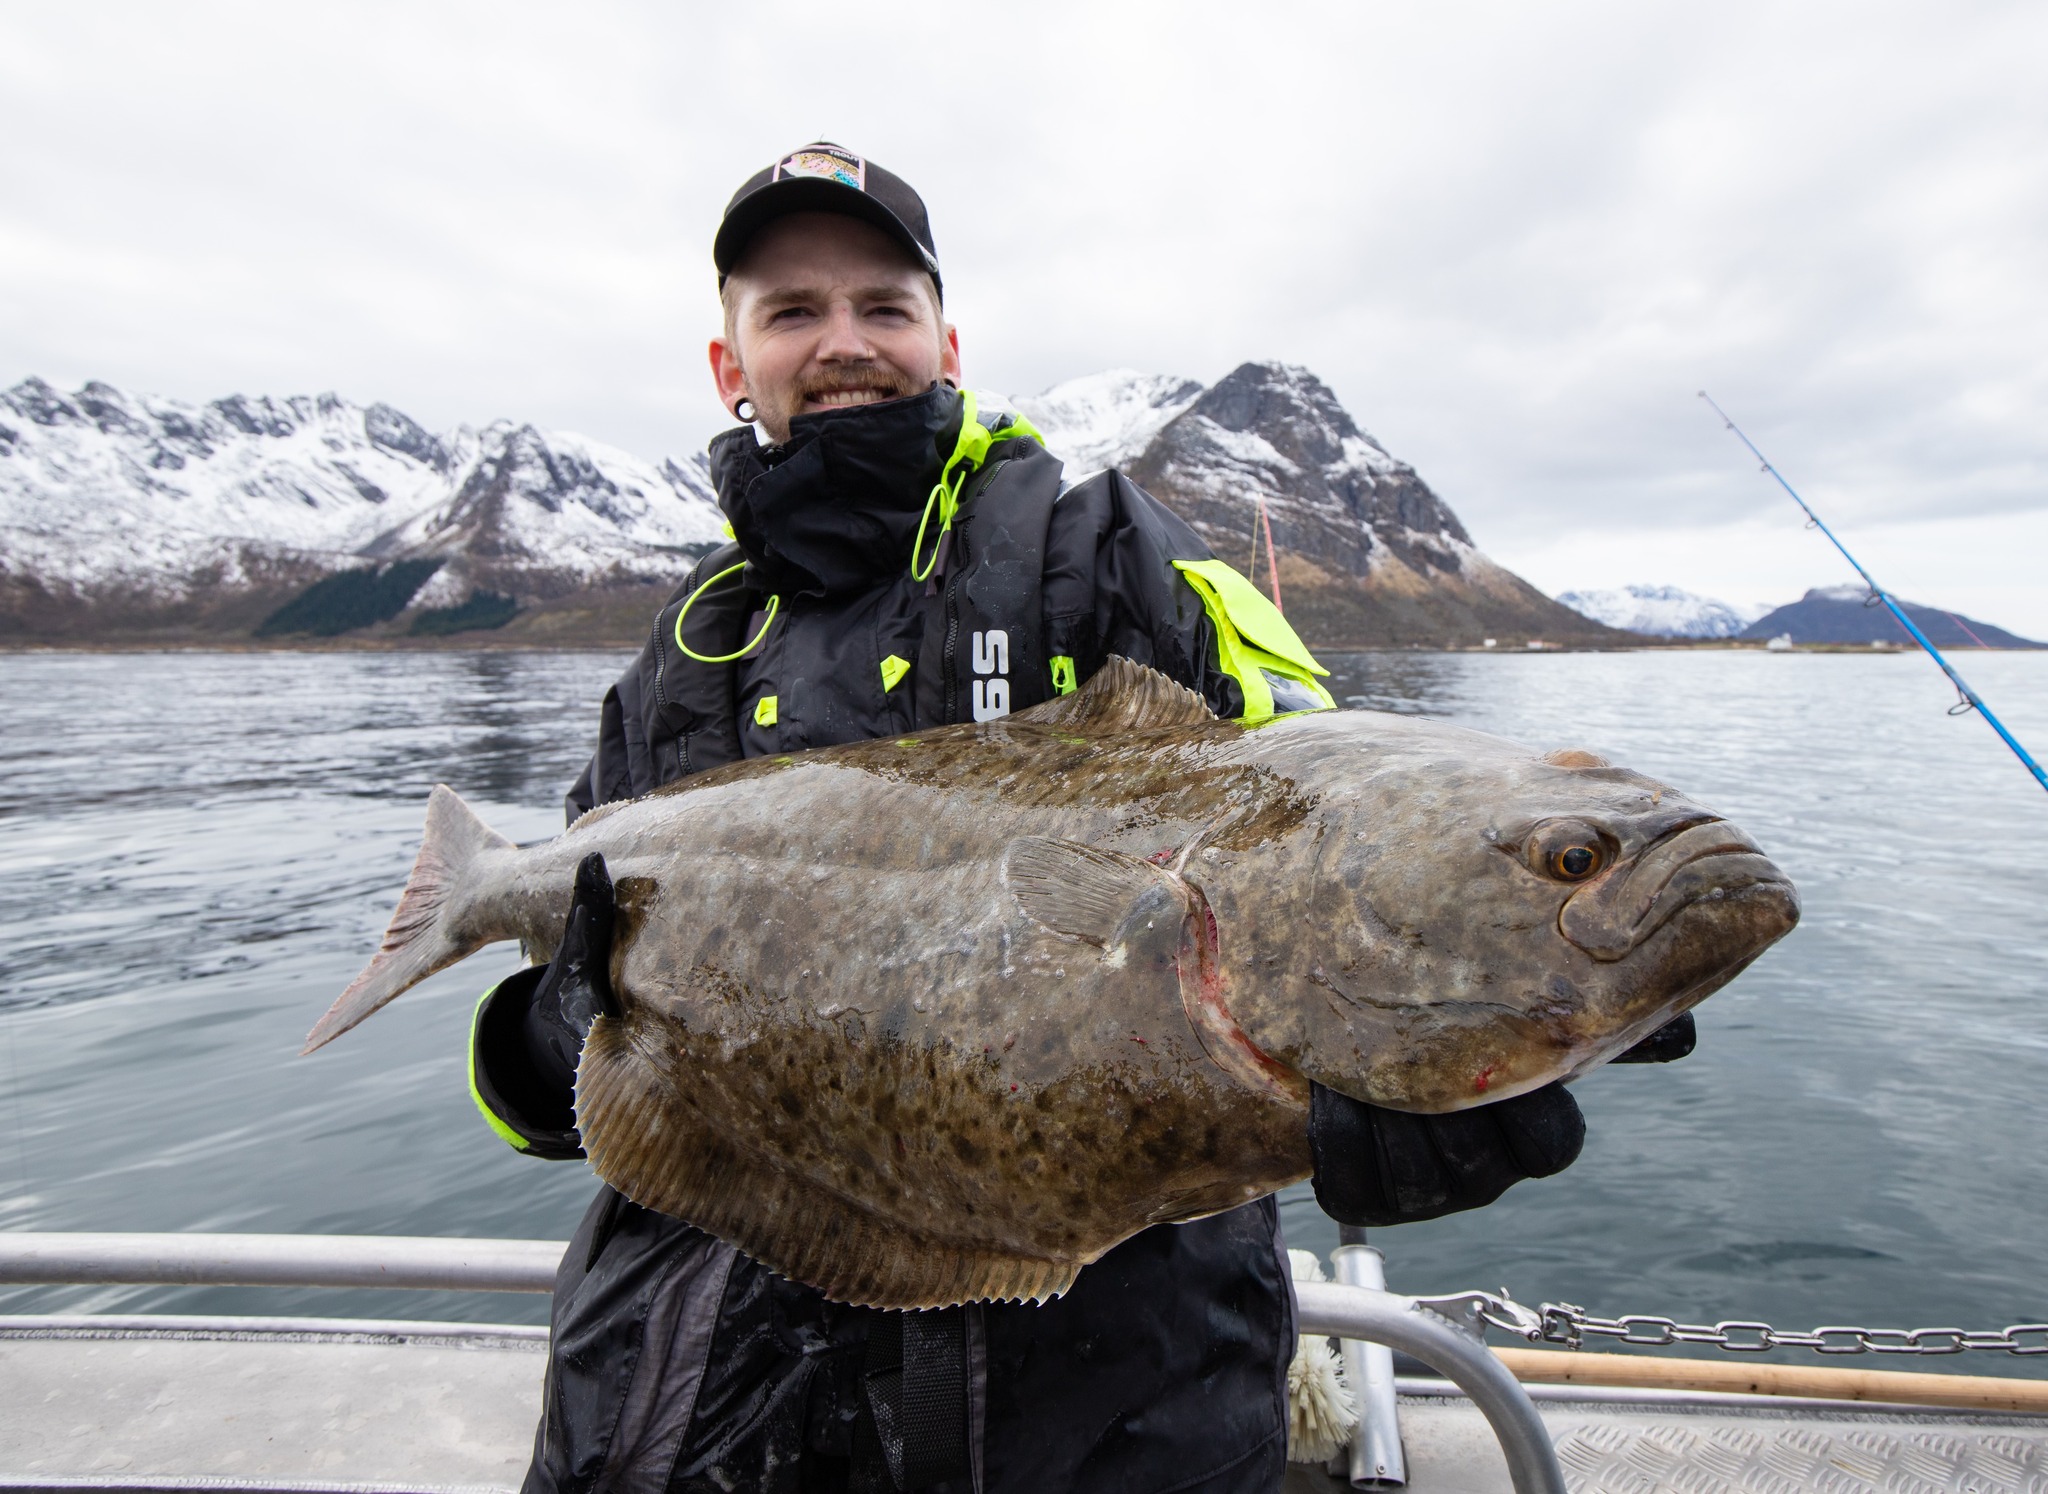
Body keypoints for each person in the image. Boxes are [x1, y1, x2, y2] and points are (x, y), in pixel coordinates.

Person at [466, 142, 1635, 1494]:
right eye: (793, 311)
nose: (844, 342)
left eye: (885, 305)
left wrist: (1519, 968)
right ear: (731, 364)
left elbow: (1335, 810)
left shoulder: (1114, 562)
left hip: (1102, 1414)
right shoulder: (681, 660)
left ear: (946, 343)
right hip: (680, 1406)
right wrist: (555, 1033)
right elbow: (549, 1109)